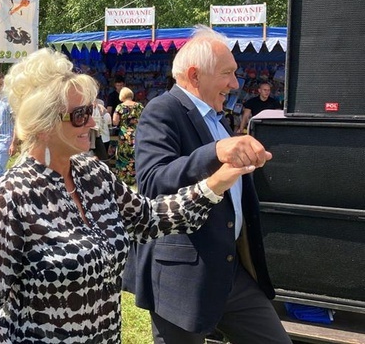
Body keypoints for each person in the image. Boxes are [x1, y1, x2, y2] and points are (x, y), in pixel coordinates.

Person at [0, 48, 255, 342]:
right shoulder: (13, 194)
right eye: (79, 115)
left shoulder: (92, 175)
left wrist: (217, 182)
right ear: (43, 124)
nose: (91, 123)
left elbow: (149, 219)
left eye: (90, 112)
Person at [123, 26, 290, 344]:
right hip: (180, 275)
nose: (235, 84)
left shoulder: (218, 117)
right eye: (227, 73)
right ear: (195, 75)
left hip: (230, 271)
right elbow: (152, 180)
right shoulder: (162, 110)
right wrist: (215, 152)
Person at [113, 87, 144, 185]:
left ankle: (123, 179)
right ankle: (136, 178)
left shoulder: (120, 107)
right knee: (136, 156)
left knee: (124, 157)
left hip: (125, 137)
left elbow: (115, 122)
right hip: (137, 135)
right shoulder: (139, 106)